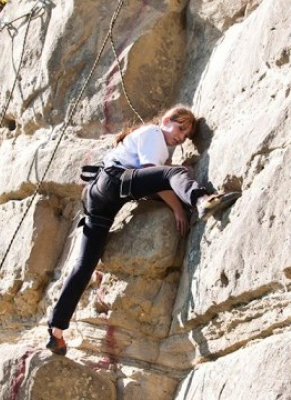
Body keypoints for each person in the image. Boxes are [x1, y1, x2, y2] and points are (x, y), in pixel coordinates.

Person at [46, 105, 240, 355]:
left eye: (185, 136)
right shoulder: (153, 134)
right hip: (115, 181)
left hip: (98, 196)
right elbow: (155, 174)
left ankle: (56, 331)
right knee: (174, 173)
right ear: (166, 119)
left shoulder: (149, 140)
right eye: (179, 128)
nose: (179, 137)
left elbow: (154, 176)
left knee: (84, 264)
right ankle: (202, 200)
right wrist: (179, 209)